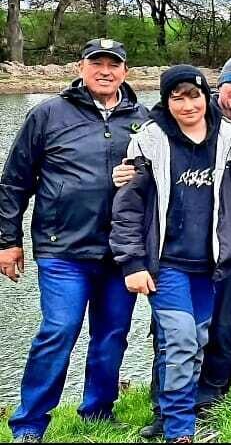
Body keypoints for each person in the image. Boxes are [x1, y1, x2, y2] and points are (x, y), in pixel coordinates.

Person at [0, 39, 148, 443]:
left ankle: (97, 412)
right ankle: (29, 424)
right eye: (96, 63)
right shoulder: (48, 114)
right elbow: (14, 183)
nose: (105, 71)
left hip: (122, 252)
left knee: (113, 333)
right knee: (58, 331)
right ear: (80, 67)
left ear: (125, 70)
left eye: (113, 64)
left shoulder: (145, 119)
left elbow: (161, 182)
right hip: (62, 247)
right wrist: (7, 240)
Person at [110, 65, 231, 443]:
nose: (187, 104)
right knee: (179, 342)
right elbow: (128, 206)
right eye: (177, 97)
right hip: (168, 265)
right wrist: (132, 262)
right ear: (166, 101)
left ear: (204, 96)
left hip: (210, 266)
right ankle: (181, 431)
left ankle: (169, 417)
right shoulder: (149, 138)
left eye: (193, 95)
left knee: (195, 343)